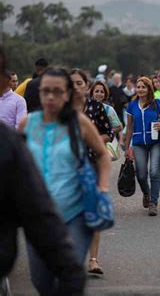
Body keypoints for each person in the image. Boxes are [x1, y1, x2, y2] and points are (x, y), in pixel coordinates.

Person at [19, 68, 111, 295]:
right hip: (38, 216)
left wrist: (102, 187)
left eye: (57, 91)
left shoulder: (79, 122)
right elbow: (17, 163)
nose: (51, 97)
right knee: (42, 282)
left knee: (69, 275)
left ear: (67, 94)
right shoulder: (27, 124)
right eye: (46, 91)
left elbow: (102, 154)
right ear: (39, 93)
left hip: (76, 214)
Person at [0, 121, 86, 296]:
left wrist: (69, 270)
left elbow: (36, 211)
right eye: (46, 91)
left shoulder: (6, 142)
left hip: (70, 207)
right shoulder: (22, 129)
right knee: (40, 280)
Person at [71, 73, 115, 276]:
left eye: (79, 83)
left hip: (91, 164)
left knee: (92, 211)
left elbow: (109, 132)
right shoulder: (61, 110)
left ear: (86, 86)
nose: (76, 87)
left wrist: (92, 139)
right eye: (71, 84)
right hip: (67, 168)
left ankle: (93, 260)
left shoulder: (96, 107)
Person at [124, 76, 160, 216]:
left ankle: (153, 203)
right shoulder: (132, 105)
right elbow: (129, 127)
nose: (140, 89)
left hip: (155, 142)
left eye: (144, 87)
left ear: (149, 89)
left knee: (154, 172)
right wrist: (126, 147)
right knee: (141, 175)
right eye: (138, 87)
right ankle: (146, 193)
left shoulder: (156, 103)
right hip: (138, 143)